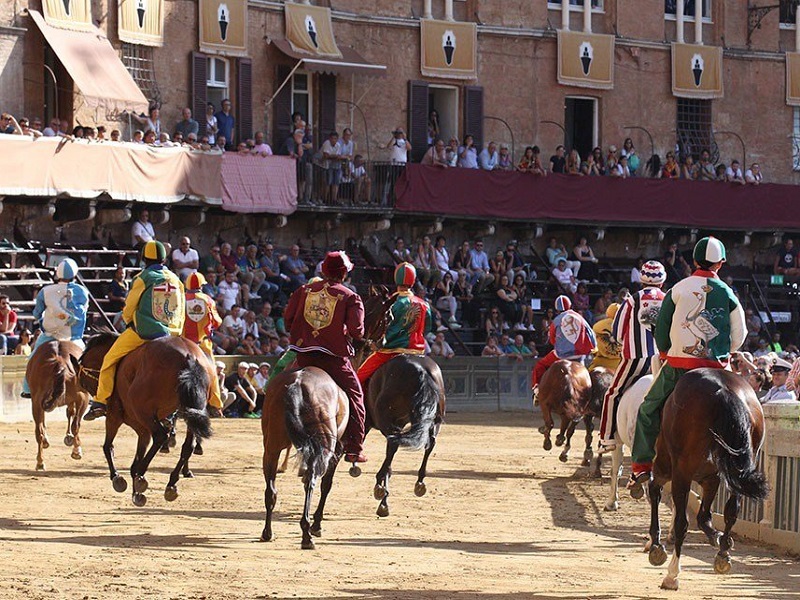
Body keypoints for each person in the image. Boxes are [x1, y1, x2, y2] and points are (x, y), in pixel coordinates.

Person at [628, 238, 746, 494]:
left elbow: (661, 331)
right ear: (721, 263)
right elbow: (740, 335)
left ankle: (641, 467)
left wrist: (666, 352)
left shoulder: (678, 289)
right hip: (717, 368)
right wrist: (724, 354)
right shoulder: (728, 293)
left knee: (648, 409)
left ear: (694, 261)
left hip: (680, 367)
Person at [85, 241, 185, 421]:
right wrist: (176, 332)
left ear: (144, 258)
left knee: (109, 359)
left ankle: (101, 401)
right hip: (171, 332)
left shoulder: (142, 277)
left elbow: (130, 306)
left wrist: (128, 320)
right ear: (163, 258)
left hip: (144, 332)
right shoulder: (176, 279)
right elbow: (181, 309)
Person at [283, 251, 368, 464]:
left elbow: (288, 320)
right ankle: (354, 448)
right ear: (344, 274)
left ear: (323, 270)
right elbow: (358, 331)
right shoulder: (350, 296)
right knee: (356, 396)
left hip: (303, 357)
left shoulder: (303, 290)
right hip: (334, 360)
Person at [597, 261, 667, 452]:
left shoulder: (632, 299)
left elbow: (618, 333)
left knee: (613, 393)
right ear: (662, 282)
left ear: (642, 281)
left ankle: (607, 438)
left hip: (635, 359)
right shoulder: (669, 299)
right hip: (661, 360)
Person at [20, 259, 90, 398]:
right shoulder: (83, 291)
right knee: (88, 363)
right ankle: (94, 392)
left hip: (50, 335)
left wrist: (42, 319)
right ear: (75, 275)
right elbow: (84, 311)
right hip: (74, 338)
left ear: (57, 274)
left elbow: (36, 313)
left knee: (32, 360)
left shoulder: (45, 291)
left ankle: (27, 389)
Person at [358, 263, 434, 388]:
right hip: (417, 351)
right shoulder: (424, 304)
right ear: (413, 280)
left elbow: (384, 328)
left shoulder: (392, 303)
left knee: (358, 378)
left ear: (396, 279)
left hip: (390, 351)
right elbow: (427, 328)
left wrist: (375, 344)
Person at [531, 295, 597, 402]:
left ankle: (537, 391)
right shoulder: (580, 317)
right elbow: (591, 335)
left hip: (561, 355)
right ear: (570, 305)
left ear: (557, 308)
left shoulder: (556, 321)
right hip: (580, 356)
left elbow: (552, 341)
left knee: (540, 366)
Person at [182, 272, 225, 416]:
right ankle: (215, 405)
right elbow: (217, 322)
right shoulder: (208, 300)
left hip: (183, 344)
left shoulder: (181, 299)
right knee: (212, 374)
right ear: (201, 286)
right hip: (202, 344)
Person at [588, 303, 621, 372]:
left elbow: (593, 346)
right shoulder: (627, 328)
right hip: (619, 364)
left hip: (599, 362)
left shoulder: (597, 326)